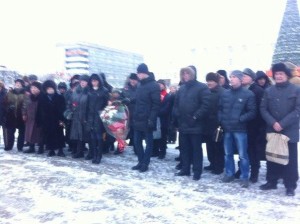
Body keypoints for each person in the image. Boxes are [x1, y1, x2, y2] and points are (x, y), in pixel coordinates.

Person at [260, 62, 300, 196]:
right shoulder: (268, 90)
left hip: (289, 131)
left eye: (281, 74)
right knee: (272, 157)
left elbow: (298, 109)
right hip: (273, 130)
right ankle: (271, 181)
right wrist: (273, 123)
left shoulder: (296, 89)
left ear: (287, 75)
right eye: (276, 74)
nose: (278, 76)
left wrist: (282, 123)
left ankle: (290, 186)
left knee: (290, 160)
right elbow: (263, 109)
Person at [219, 70, 256, 188]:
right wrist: (221, 120)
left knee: (243, 155)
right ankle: (229, 174)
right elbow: (219, 109)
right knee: (227, 153)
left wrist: (240, 119)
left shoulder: (248, 94)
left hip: (240, 129)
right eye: (230, 77)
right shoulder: (225, 94)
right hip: (227, 129)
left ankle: (244, 177)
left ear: (240, 79)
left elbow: (252, 112)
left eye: (234, 77)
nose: (231, 79)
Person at [174, 66, 210, 181]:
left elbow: (206, 105)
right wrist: (176, 115)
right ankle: (185, 169)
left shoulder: (202, 87)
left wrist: (195, 117)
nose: (185, 76)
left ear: (192, 74)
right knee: (184, 148)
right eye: (183, 74)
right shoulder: (182, 88)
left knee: (196, 149)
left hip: (195, 124)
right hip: (183, 124)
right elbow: (176, 104)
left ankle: (197, 171)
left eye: (187, 74)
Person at [131, 63, 160, 172]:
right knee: (136, 141)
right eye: (138, 73)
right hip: (138, 117)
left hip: (148, 118)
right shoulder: (139, 85)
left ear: (144, 73)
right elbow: (138, 99)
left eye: (139, 73)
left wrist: (152, 119)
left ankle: (145, 163)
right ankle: (140, 161)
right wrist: (129, 100)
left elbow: (156, 104)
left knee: (149, 142)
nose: (138, 75)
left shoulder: (154, 85)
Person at [240, 68, 266, 183]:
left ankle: (254, 172)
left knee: (254, 150)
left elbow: (261, 110)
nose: (243, 77)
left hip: (255, 127)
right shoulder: (240, 89)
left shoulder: (258, 90)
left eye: (246, 75)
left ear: (252, 78)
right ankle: (241, 169)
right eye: (242, 75)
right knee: (243, 150)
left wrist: (260, 127)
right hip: (242, 125)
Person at [203, 72, 225, 175]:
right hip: (207, 123)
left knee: (218, 146)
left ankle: (219, 166)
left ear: (216, 82)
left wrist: (220, 121)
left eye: (211, 81)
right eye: (208, 81)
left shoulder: (223, 92)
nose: (209, 83)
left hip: (217, 124)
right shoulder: (206, 91)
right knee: (209, 145)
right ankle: (212, 163)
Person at [39, 80, 66, 157]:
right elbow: (41, 110)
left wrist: (62, 119)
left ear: (54, 89)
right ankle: (51, 150)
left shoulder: (60, 97)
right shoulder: (43, 98)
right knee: (49, 135)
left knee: (59, 134)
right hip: (47, 120)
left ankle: (60, 150)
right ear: (45, 90)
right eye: (48, 89)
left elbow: (63, 109)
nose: (50, 90)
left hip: (57, 119)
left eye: (51, 88)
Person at [86, 74, 109, 164]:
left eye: (95, 81)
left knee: (99, 138)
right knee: (92, 138)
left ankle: (99, 155)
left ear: (99, 81)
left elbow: (108, 104)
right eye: (92, 81)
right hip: (90, 116)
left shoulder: (104, 91)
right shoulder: (89, 90)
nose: (94, 82)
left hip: (100, 116)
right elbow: (87, 105)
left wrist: (103, 113)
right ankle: (94, 154)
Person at [68, 75, 90, 158]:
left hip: (85, 116)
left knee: (84, 135)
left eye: (85, 81)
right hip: (76, 116)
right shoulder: (76, 91)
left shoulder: (89, 92)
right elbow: (71, 102)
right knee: (77, 134)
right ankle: (78, 151)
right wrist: (71, 108)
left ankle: (84, 151)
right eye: (81, 81)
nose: (83, 83)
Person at [2, 79, 26, 151]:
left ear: (22, 85)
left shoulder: (25, 93)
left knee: (22, 132)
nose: (17, 84)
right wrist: (8, 107)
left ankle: (20, 146)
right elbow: (4, 102)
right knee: (10, 132)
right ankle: (9, 146)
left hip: (21, 115)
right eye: (16, 83)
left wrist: (24, 111)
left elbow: (27, 103)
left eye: (19, 83)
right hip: (11, 115)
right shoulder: (10, 92)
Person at [152, 79, 172, 159]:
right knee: (155, 136)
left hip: (163, 119)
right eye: (158, 84)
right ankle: (155, 151)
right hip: (155, 119)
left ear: (164, 86)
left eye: (161, 84)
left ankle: (162, 152)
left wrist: (157, 112)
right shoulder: (154, 94)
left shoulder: (167, 96)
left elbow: (167, 108)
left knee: (163, 137)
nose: (159, 86)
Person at [22, 81, 43, 154]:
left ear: (39, 89)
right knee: (30, 133)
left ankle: (41, 148)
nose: (33, 89)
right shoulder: (29, 97)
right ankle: (31, 147)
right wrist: (24, 114)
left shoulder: (42, 97)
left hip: (39, 118)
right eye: (32, 88)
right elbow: (24, 106)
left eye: (35, 88)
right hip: (30, 118)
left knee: (40, 133)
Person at [123, 73, 139, 152]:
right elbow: (122, 97)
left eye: (134, 80)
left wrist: (131, 100)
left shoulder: (139, 87)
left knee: (135, 131)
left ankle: (136, 148)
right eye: (131, 79)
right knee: (123, 131)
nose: (133, 81)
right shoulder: (126, 88)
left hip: (136, 112)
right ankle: (120, 148)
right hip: (126, 112)